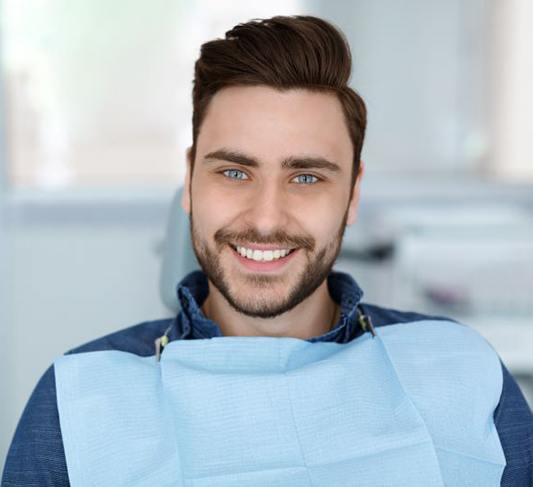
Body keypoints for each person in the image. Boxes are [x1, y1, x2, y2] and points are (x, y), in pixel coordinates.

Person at [3, 15, 532, 487]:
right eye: (235, 172)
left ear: (353, 193)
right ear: (189, 180)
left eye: (306, 176)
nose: (265, 219)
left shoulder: (459, 368)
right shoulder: (80, 396)